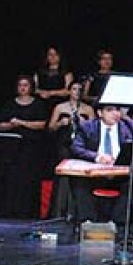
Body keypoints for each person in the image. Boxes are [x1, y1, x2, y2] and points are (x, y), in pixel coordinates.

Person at [69, 104, 133, 228]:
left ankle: (118, 224)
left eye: (117, 110)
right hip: (95, 175)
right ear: (100, 113)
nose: (115, 113)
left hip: (121, 176)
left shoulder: (129, 126)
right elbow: (76, 147)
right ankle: (87, 222)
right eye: (109, 110)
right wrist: (97, 157)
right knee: (78, 180)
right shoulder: (87, 127)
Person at [0, 75, 49, 219]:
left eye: (26, 85)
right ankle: (8, 210)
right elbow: (0, 125)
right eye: (20, 85)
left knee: (28, 180)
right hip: (12, 149)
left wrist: (22, 123)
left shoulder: (38, 104)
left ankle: (27, 212)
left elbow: (42, 124)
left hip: (31, 148)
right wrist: (11, 125)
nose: (23, 88)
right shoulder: (9, 104)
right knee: (11, 179)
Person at [46, 81, 94, 220]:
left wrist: (84, 124)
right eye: (74, 89)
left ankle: (77, 211)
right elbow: (50, 128)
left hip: (81, 147)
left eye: (80, 89)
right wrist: (60, 123)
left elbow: (94, 131)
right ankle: (60, 210)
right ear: (69, 91)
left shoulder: (88, 109)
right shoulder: (60, 107)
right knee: (63, 177)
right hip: (64, 144)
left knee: (78, 177)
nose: (77, 92)